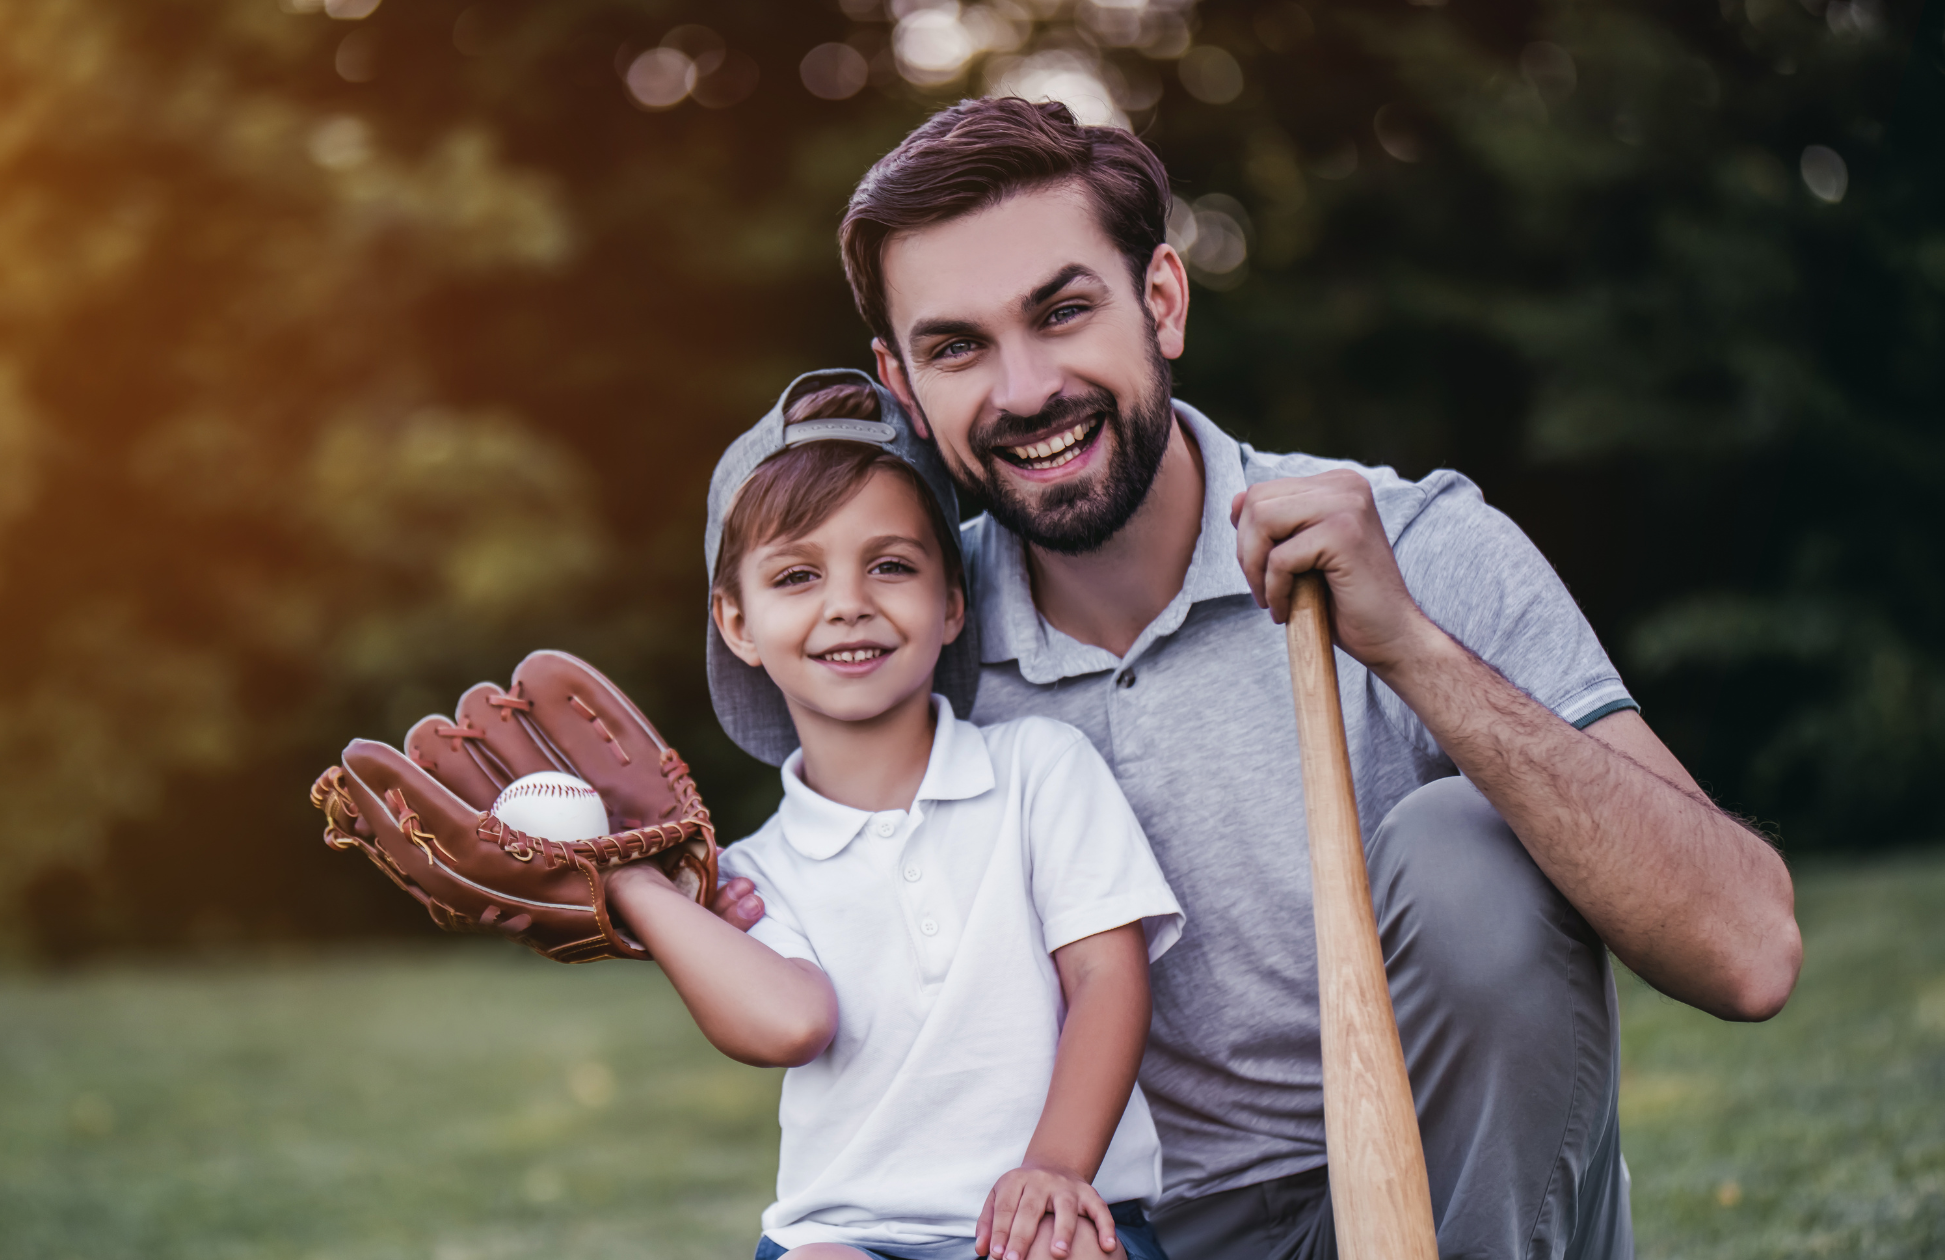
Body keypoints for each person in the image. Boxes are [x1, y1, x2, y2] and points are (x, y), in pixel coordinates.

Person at [705, 100, 1804, 1260]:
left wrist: (1410, 648)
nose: (1022, 390)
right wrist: (630, 883)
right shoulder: (908, 633)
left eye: (1063, 311)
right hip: (1130, 1236)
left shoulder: (1413, 546)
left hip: (1450, 1203)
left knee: (1458, 847)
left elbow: (1747, 953)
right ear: (901, 380)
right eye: (955, 346)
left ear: (1162, 301)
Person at [609, 369, 1186, 1260]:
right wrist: (636, 887)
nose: (848, 603)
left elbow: (1108, 982)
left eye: (891, 566)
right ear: (736, 622)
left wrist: (1057, 1169)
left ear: (952, 602)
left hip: (1054, 1212)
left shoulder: (1040, 771)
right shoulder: (752, 874)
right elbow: (790, 1024)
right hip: (851, 1235)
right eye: (797, 575)